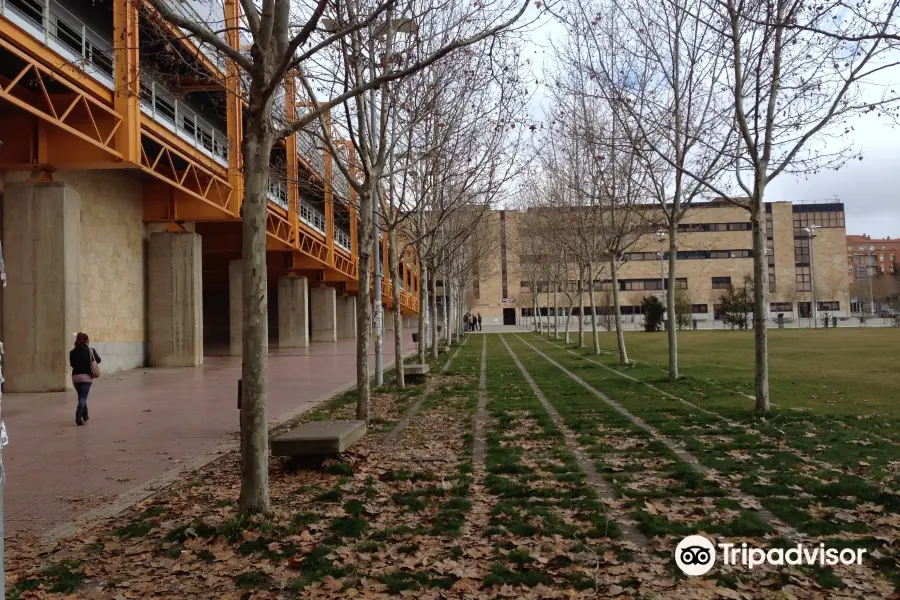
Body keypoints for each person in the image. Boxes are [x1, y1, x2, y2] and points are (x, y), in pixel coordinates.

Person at [70, 332, 101, 426]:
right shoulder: (90, 350)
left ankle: (85, 415)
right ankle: (78, 417)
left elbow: (72, 364)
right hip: (86, 377)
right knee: (83, 397)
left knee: (81, 396)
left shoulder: (72, 352)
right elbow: (98, 360)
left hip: (75, 378)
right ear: (86, 341)